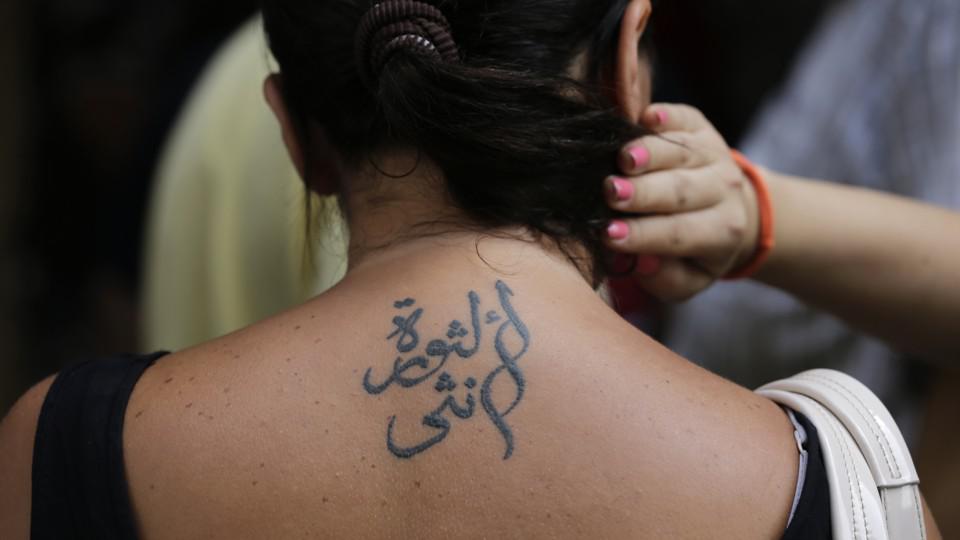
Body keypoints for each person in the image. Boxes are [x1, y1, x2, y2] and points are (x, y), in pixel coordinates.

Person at [0, 1, 944, 538]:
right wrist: (763, 217)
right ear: (627, 63)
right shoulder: (827, 483)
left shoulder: (60, 448)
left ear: (295, 132)